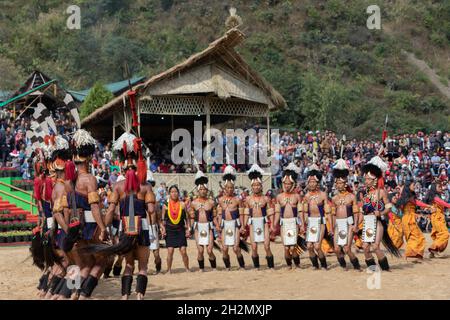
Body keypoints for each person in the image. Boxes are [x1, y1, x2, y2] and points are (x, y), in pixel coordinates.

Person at [101, 132, 155, 300]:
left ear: (123, 168)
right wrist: (155, 226)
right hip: (143, 228)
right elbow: (152, 211)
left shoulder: (117, 186)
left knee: (129, 265)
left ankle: (125, 297)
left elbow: (110, 211)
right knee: (143, 266)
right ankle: (139, 296)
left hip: (126, 227)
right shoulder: (145, 187)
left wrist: (104, 229)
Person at [361, 156, 400, 271]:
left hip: (378, 222)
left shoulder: (381, 192)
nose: (366, 181)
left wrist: (381, 213)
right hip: (367, 222)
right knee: (365, 247)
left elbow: (388, 207)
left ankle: (385, 268)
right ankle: (372, 268)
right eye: (365, 179)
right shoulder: (366, 194)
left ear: (374, 180)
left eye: (368, 179)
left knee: (375, 246)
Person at [330, 159, 361, 270]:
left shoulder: (352, 197)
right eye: (337, 183)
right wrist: (332, 227)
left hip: (349, 223)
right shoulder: (334, 199)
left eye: (341, 183)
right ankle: (343, 265)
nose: (338, 185)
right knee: (337, 249)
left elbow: (356, 212)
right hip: (338, 224)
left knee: (347, 248)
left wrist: (356, 225)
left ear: (345, 183)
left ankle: (356, 265)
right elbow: (333, 214)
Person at [243, 164, 275, 269]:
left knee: (267, 246)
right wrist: (243, 226)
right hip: (252, 223)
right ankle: (256, 266)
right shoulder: (248, 199)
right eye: (254, 185)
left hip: (264, 222)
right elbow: (246, 213)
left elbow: (270, 212)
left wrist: (272, 225)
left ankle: (271, 266)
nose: (256, 187)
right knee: (254, 246)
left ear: (261, 186)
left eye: (258, 185)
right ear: (251, 187)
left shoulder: (266, 199)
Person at [274, 163, 303, 269]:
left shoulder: (297, 197)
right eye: (285, 183)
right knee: (286, 247)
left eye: (289, 184)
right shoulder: (279, 197)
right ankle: (289, 265)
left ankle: (297, 264)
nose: (287, 185)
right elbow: (277, 213)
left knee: (294, 246)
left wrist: (302, 224)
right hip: (283, 223)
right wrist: (274, 224)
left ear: (293, 184)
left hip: (294, 222)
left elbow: (300, 212)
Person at [302, 164, 332, 270]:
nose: (311, 183)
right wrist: (303, 224)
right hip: (311, 222)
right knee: (310, 246)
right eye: (310, 182)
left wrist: (331, 227)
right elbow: (304, 212)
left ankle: (323, 265)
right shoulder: (306, 196)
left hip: (321, 222)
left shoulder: (323, 195)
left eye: (313, 181)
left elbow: (328, 212)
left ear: (317, 182)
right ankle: (315, 265)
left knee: (317, 246)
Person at [217, 165, 246, 270]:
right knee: (224, 249)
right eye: (227, 187)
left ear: (234, 188)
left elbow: (242, 214)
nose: (229, 189)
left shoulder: (238, 200)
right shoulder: (220, 200)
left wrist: (242, 226)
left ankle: (242, 266)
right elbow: (219, 213)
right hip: (225, 225)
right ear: (225, 188)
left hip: (235, 225)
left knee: (235, 248)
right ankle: (228, 266)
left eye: (231, 187)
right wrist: (218, 224)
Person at [189, 170, 217, 271]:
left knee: (209, 250)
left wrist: (217, 226)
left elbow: (214, 216)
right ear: (198, 191)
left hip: (209, 227)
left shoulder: (211, 202)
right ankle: (202, 268)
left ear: (207, 190)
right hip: (198, 227)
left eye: (205, 189)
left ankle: (214, 267)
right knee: (200, 250)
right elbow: (191, 217)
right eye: (201, 189)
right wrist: (189, 228)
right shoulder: (193, 203)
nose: (203, 191)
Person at [161, 185, 190, 273]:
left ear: (178, 193)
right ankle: (169, 269)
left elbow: (187, 219)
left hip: (180, 230)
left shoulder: (182, 204)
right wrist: (163, 229)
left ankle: (187, 268)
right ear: (169, 193)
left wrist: (188, 229)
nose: (174, 193)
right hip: (170, 231)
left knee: (183, 251)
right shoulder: (165, 205)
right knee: (170, 251)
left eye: (175, 192)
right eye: (172, 192)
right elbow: (163, 219)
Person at [396, 179, 426, 261]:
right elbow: (417, 203)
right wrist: (429, 206)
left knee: (415, 237)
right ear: (408, 186)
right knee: (417, 237)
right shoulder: (409, 198)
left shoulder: (407, 197)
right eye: (413, 185)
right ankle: (410, 255)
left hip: (408, 218)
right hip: (408, 219)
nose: (414, 186)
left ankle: (415, 255)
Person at [424, 180, 450, 258]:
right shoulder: (435, 197)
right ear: (434, 188)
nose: (441, 188)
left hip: (437, 218)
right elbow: (444, 204)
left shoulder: (435, 196)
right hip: (437, 218)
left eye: (441, 186)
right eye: (439, 187)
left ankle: (432, 253)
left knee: (438, 236)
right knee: (445, 234)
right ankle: (432, 248)